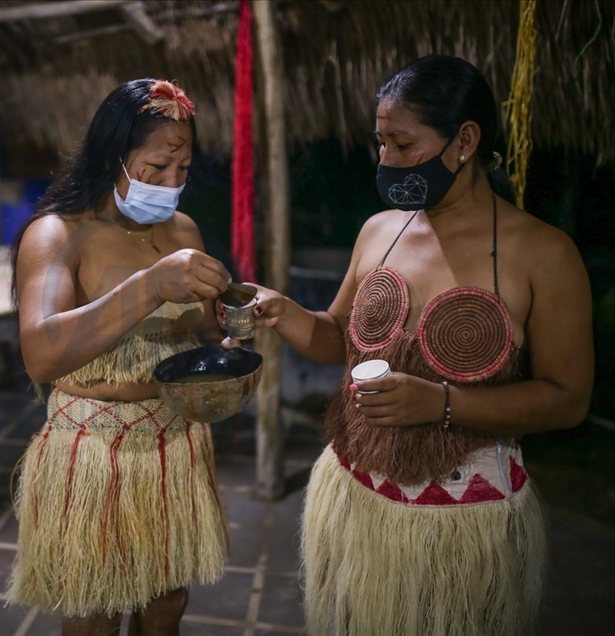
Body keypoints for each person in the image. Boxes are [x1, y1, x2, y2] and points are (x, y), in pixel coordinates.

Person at [243, 56, 594, 635]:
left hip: (465, 519)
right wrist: (284, 313)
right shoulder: (381, 230)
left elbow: (567, 399)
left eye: (403, 144)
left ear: (465, 142)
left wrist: (442, 403)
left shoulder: (543, 254)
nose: (386, 160)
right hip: (355, 495)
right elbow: (340, 339)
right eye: (381, 143)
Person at [7, 79, 232, 636]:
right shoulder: (57, 234)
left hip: (174, 443)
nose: (171, 184)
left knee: (166, 605)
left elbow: (202, 331)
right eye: (156, 167)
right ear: (113, 157)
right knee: (94, 613)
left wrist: (233, 331)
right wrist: (151, 284)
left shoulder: (182, 231)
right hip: (94, 449)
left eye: (182, 170)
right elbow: (40, 354)